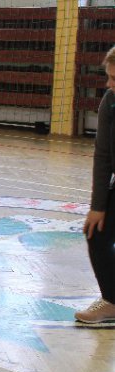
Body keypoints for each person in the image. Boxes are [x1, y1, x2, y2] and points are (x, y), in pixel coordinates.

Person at [77, 46, 115, 323]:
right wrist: (98, 206)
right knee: (96, 233)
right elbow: (103, 156)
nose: (109, 84)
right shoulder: (110, 101)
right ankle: (112, 301)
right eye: (109, 77)